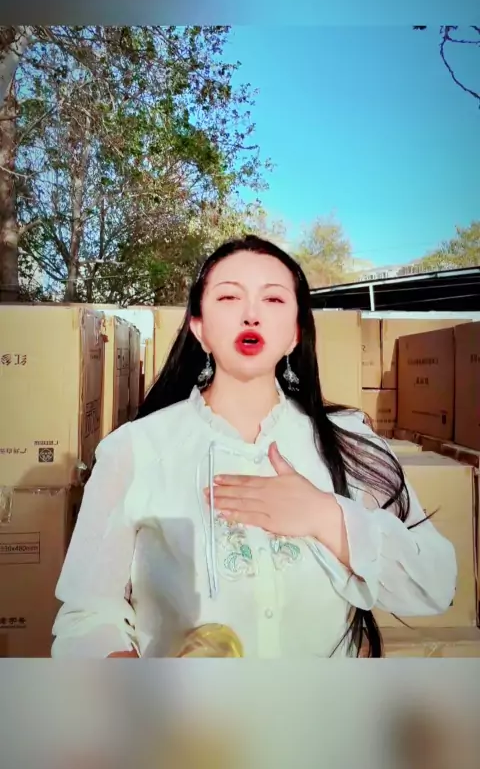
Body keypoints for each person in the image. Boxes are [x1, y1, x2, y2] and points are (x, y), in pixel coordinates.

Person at [51, 235, 456, 658]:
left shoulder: (350, 442)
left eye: (274, 299)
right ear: (199, 328)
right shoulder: (134, 450)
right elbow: (86, 614)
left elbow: (435, 585)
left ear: (295, 333)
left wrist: (326, 516)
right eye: (229, 297)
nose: (251, 314)